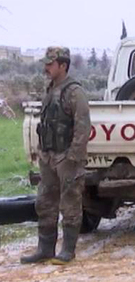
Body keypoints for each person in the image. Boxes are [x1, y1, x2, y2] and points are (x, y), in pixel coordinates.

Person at [21, 47, 91, 265]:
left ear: (63, 65)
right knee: (44, 202)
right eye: (46, 63)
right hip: (49, 157)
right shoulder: (51, 89)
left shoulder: (74, 92)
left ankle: (68, 251)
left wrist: (73, 156)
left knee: (70, 203)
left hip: (66, 158)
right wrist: (43, 153)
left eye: (50, 64)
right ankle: (45, 249)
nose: (46, 68)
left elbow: (83, 126)